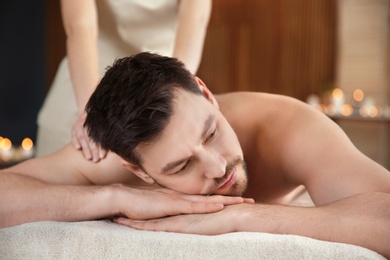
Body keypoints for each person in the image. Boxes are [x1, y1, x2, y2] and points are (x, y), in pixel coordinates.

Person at [1, 52, 389, 258]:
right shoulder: (111, 162)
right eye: (181, 165)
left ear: (205, 93)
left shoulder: (288, 127)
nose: (218, 167)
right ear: (138, 169)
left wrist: (243, 216)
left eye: (212, 132)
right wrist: (115, 197)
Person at [36, 0, 211, 162]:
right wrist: (91, 111)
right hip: (87, 80)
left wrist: (174, 98)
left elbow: (195, 21)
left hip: (160, 83)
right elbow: (80, 26)